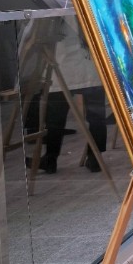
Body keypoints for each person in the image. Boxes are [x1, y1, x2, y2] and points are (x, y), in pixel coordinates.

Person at [21, 18, 106, 175]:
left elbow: (32, 33)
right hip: (90, 65)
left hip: (64, 66)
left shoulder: (53, 4)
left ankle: (51, 158)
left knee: (56, 117)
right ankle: (95, 158)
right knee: (96, 116)